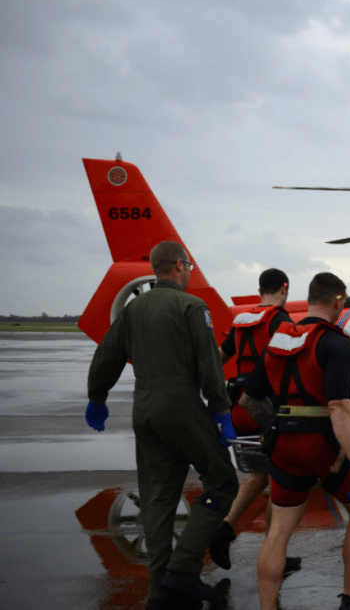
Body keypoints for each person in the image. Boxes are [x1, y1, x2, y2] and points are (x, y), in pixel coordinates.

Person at [86, 241, 239, 609]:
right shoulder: (192, 306)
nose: (189, 270)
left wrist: (97, 395)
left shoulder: (133, 308)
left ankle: (160, 590)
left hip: (144, 407)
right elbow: (208, 365)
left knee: (158, 499)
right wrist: (221, 410)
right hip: (180, 404)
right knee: (223, 482)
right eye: (188, 264)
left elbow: (107, 354)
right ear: (176, 266)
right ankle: (183, 569)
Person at [240, 272, 350, 610]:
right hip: (320, 442)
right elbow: (340, 407)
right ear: (337, 301)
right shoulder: (335, 343)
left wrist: (276, 424)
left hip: (283, 442)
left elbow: (249, 400)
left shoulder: (279, 339)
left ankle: (267, 606)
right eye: (343, 302)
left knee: (278, 531)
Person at [208, 268, 300, 574]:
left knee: (259, 477)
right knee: (279, 482)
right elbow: (294, 362)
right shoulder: (280, 320)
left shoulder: (243, 322)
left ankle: (224, 529)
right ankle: (275, 555)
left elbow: (217, 358)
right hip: (266, 410)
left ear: (260, 289)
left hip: (239, 408)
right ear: (284, 288)